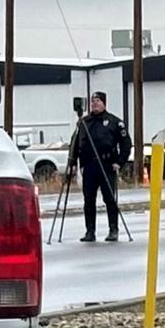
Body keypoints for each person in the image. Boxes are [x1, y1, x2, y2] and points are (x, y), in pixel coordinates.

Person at [66, 91, 132, 242]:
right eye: (93, 101)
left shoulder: (114, 122)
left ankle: (113, 230)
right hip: (89, 166)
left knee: (109, 198)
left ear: (104, 103)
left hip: (107, 165)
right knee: (89, 200)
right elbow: (75, 144)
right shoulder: (84, 122)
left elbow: (126, 143)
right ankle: (90, 231)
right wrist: (72, 163)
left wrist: (120, 162)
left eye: (98, 101)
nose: (94, 103)